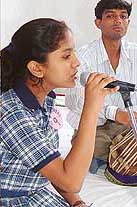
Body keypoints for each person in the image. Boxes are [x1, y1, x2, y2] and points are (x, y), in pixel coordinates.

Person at [0, 18, 118, 207]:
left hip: (35, 192)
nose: (77, 63)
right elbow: (71, 181)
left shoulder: (45, 100)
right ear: (37, 68)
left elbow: (50, 165)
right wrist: (92, 106)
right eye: (66, 56)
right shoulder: (13, 113)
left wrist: (76, 203)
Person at [65, 0, 137, 173]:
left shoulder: (135, 53)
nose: (118, 20)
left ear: (128, 22)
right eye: (110, 16)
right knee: (89, 158)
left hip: (130, 125)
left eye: (123, 16)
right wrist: (115, 113)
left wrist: (129, 118)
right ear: (98, 22)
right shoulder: (82, 57)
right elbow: (75, 101)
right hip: (94, 128)